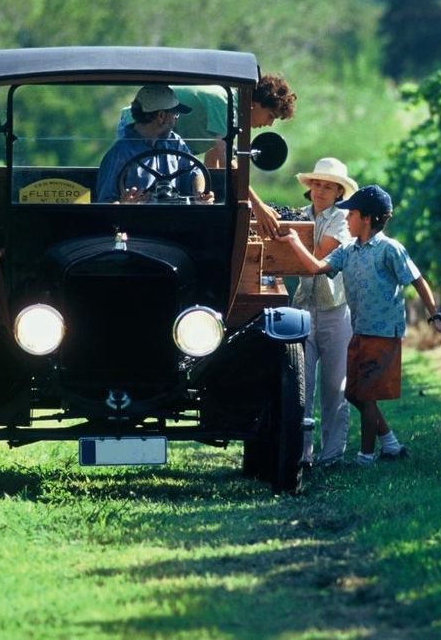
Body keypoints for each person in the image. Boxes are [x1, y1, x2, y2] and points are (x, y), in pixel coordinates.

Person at [277, 184, 441, 467]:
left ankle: (366, 457)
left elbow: (417, 280)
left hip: (383, 333)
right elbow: (315, 268)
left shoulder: (389, 249)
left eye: (352, 214)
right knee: (354, 393)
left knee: (365, 394)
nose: (346, 219)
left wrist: (435, 318)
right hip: (359, 331)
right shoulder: (349, 250)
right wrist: (295, 242)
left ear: (367, 219)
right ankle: (391, 445)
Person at [115, 75, 296, 234]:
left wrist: (211, 201)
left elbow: (213, 161)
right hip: (140, 127)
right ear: (255, 104)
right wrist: (257, 205)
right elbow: (225, 159)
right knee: (143, 195)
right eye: (270, 115)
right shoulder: (225, 104)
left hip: (168, 144)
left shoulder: (232, 113)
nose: (270, 124)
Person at [291, 158, 358, 468]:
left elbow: (318, 258)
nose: (320, 190)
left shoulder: (342, 220)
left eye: (327, 186)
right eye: (316, 184)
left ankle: (331, 455)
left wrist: (289, 242)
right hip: (303, 306)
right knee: (300, 385)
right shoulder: (299, 216)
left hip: (334, 309)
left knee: (335, 385)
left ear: (338, 192)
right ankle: (300, 453)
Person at [96, 84, 208, 204]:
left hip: (176, 218)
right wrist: (125, 204)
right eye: (175, 114)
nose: (176, 120)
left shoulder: (175, 142)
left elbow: (195, 171)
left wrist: (199, 195)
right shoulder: (119, 153)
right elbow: (106, 202)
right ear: (161, 116)